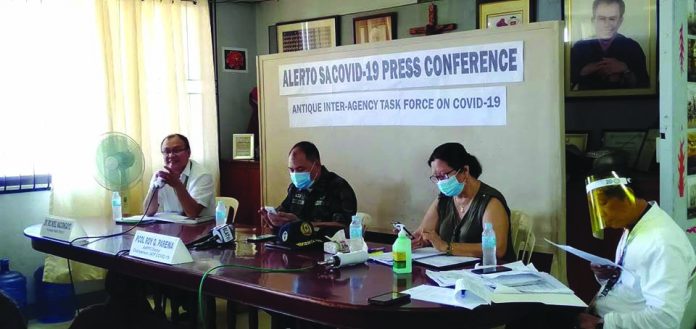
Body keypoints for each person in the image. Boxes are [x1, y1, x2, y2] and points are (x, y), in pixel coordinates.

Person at [576, 171, 696, 329]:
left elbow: (665, 319)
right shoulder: (635, 225)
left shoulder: (663, 243)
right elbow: (634, 286)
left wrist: (602, 325)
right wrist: (608, 276)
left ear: (629, 196)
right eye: (595, 206)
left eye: (603, 203)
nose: (600, 213)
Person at [413, 142, 515, 262]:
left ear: (465, 171)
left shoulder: (490, 202)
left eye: (444, 176)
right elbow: (424, 233)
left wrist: (447, 247)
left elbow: (498, 249)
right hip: (451, 271)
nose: (441, 182)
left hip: (488, 273)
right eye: (436, 178)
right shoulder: (444, 198)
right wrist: (412, 239)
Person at [258, 141, 358, 237]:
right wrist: (272, 219)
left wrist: (303, 225)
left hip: (326, 247)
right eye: (291, 170)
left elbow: (345, 226)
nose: (295, 174)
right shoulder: (295, 188)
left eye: (300, 169)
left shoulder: (338, 187)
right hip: (294, 245)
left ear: (317, 166)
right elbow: (283, 212)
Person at [570, 0, 649, 90]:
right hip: (586, 103)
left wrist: (625, 69)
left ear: (620, 21)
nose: (607, 24)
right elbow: (566, 86)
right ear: (593, 20)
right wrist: (584, 71)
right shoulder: (579, 49)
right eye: (602, 18)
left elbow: (644, 85)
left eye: (612, 19)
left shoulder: (633, 48)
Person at [144, 133, 215, 218]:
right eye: (166, 152)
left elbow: (192, 213)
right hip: (171, 227)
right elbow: (148, 212)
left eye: (176, 150)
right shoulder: (160, 175)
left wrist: (177, 185)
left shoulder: (203, 175)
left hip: (200, 228)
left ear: (188, 152)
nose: (171, 155)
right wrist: (154, 188)